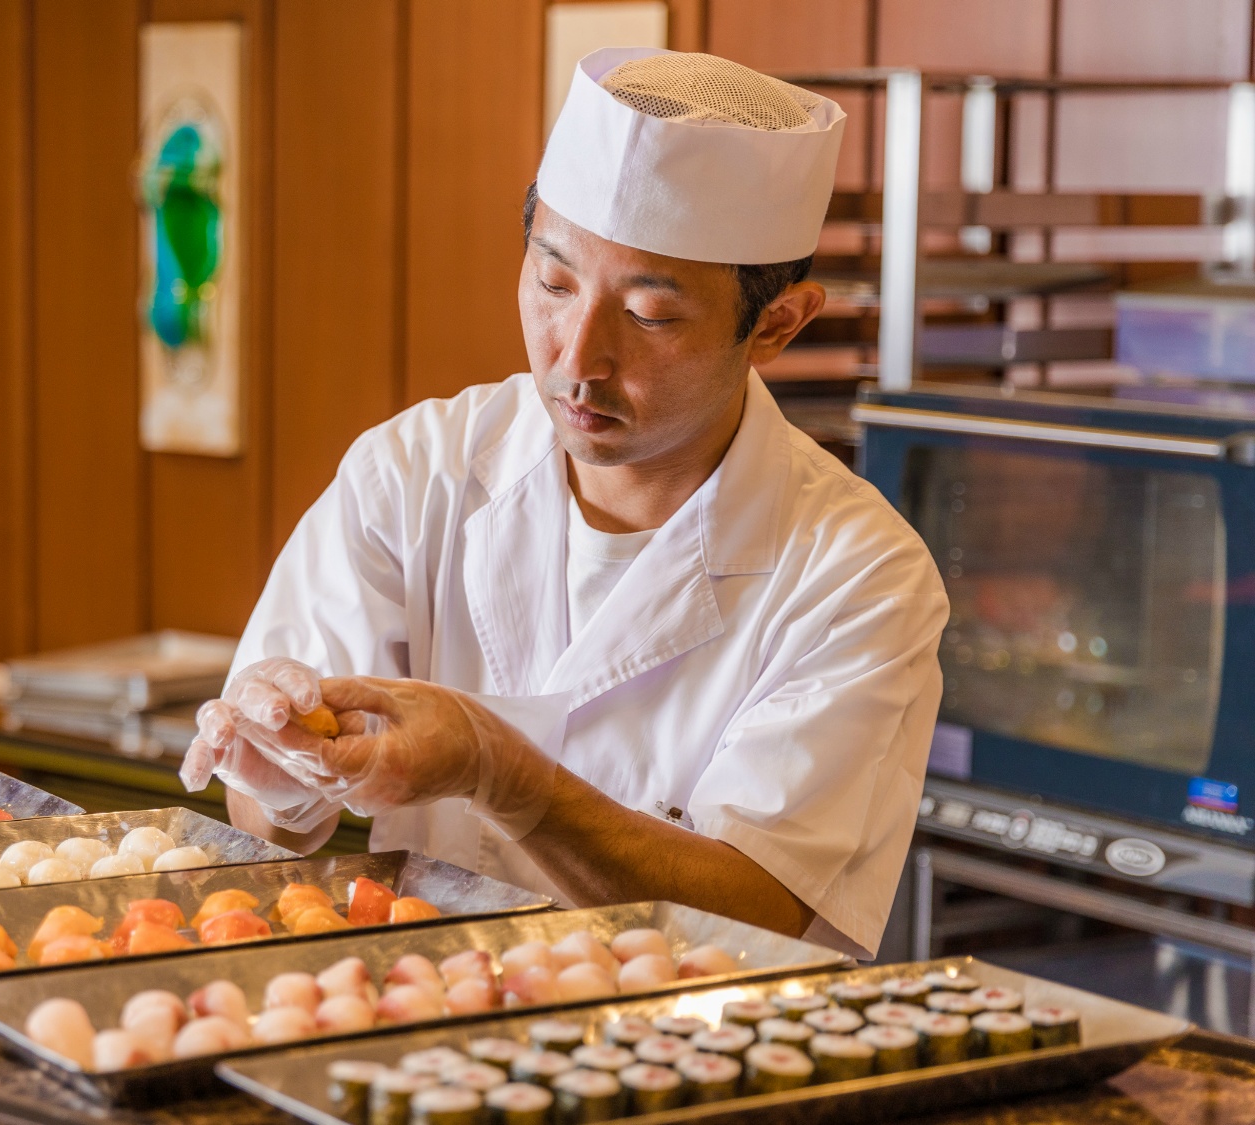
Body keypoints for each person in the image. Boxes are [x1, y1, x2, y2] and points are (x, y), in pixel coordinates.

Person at [180, 48, 948, 959]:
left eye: (651, 315)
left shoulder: (858, 575)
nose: (576, 357)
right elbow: (272, 816)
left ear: (776, 322)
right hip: (423, 1034)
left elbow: (760, 909)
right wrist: (277, 765)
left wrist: (501, 770)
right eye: (552, 282)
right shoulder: (417, 471)